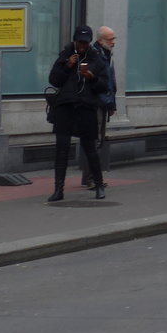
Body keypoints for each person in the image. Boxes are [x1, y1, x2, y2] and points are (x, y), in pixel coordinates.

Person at [47, 25, 110, 201]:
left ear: (89, 42)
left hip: (86, 107)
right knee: (62, 149)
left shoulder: (96, 59)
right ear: (75, 40)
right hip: (65, 107)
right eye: (80, 41)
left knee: (90, 148)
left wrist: (92, 77)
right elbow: (53, 80)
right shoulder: (65, 55)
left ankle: (99, 185)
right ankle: (58, 190)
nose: (82, 45)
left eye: (85, 42)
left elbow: (104, 86)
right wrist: (67, 65)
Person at [80, 25, 118, 189]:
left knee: (98, 140)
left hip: (104, 102)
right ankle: (92, 178)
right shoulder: (95, 55)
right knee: (94, 140)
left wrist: (112, 103)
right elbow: (95, 82)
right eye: (111, 39)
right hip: (96, 102)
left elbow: (111, 81)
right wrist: (106, 100)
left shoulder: (106, 54)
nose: (114, 42)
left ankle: (90, 177)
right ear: (100, 40)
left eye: (114, 38)